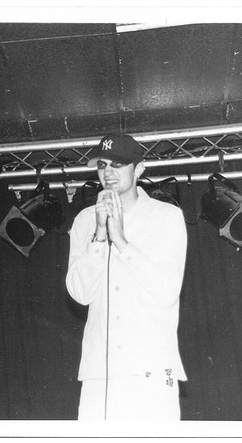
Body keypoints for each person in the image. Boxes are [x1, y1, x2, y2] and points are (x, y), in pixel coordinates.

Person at [65, 133, 187, 421]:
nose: (108, 172)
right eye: (102, 165)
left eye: (118, 164)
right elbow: (79, 293)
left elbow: (167, 292)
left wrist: (121, 241)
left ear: (139, 169)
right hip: (100, 374)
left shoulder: (166, 217)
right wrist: (99, 235)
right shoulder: (84, 220)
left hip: (151, 372)